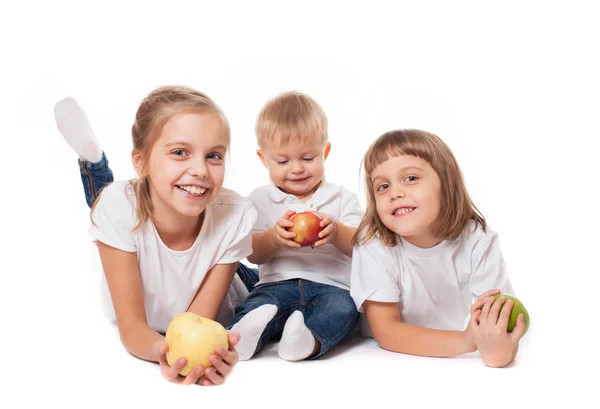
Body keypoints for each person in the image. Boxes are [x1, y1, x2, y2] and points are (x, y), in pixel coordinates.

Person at [54, 86, 258, 385]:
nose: (200, 169)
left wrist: (194, 356)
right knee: (108, 201)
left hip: (226, 270)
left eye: (214, 155)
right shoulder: (120, 209)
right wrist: (163, 352)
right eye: (180, 152)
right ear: (140, 161)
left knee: (272, 279)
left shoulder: (235, 215)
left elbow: (192, 323)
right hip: (138, 223)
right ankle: (93, 162)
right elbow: (133, 328)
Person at [350, 129, 526, 368]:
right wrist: (467, 340)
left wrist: (500, 351)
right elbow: (387, 331)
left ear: (446, 182)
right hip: (388, 360)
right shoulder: (373, 243)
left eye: (410, 178)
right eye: (382, 187)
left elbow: (501, 316)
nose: (395, 193)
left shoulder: (478, 239)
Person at [227, 91, 364, 362]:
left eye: (308, 158)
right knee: (259, 306)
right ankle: (242, 338)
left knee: (342, 310)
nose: (297, 168)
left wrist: (336, 233)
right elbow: (253, 254)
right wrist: (273, 239)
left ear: (325, 152)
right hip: (276, 283)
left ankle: (307, 341)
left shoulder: (340, 197)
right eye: (283, 161)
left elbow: (362, 246)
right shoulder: (259, 199)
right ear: (263, 159)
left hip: (332, 286)